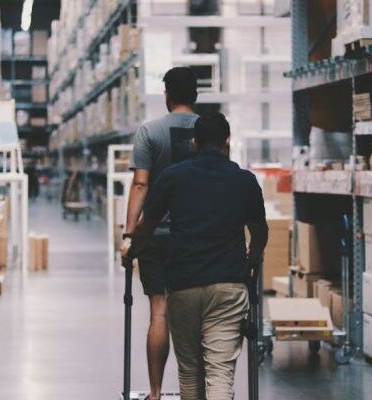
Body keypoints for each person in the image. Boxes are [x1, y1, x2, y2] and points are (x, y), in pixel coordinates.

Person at [127, 112, 269, 400]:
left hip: (184, 284)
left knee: (190, 372)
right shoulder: (245, 181)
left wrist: (131, 249)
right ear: (227, 142)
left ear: (194, 143)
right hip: (229, 284)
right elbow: (260, 231)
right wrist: (252, 258)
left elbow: (147, 226)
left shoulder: (172, 177)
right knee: (219, 373)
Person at [120, 66, 200, 400]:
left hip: (156, 234)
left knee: (159, 310)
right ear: (195, 94)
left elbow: (141, 183)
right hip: (196, 235)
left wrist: (128, 236)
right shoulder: (209, 130)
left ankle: (154, 393)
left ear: (167, 94)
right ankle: (194, 391)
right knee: (197, 312)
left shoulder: (149, 132)